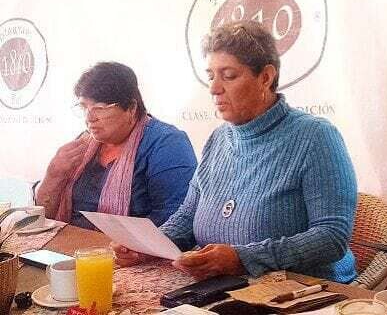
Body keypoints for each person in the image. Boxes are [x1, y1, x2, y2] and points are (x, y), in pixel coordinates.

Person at [113, 20, 358, 283]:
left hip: (300, 292)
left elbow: (332, 237)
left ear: (266, 77)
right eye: (210, 76)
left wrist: (243, 259)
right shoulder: (219, 138)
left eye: (228, 76)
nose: (214, 88)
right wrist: (147, 247)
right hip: (223, 285)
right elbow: (188, 214)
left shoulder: (315, 137)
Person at [35, 62, 197, 229]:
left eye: (99, 108)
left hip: (132, 252)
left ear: (132, 108)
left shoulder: (166, 143)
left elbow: (175, 222)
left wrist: (127, 250)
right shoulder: (84, 144)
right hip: (76, 248)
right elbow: (42, 218)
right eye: (84, 107)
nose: (89, 118)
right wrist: (53, 175)